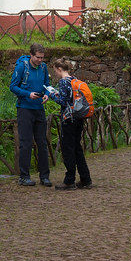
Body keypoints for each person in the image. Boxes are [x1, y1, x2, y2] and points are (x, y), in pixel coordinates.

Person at [44, 58, 92, 191]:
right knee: (77, 148)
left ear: (59, 69)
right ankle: (85, 179)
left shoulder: (64, 82)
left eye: (55, 71)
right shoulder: (74, 80)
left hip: (68, 119)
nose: (55, 74)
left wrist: (52, 94)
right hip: (78, 117)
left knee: (68, 149)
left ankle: (69, 180)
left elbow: (63, 101)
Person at [10, 43, 52, 187]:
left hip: (39, 108)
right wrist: (28, 94)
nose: (40, 60)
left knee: (42, 143)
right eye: (38, 57)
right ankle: (24, 176)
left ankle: (44, 176)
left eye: (42, 58)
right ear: (31, 55)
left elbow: (47, 83)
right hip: (25, 108)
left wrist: (46, 94)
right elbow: (13, 86)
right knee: (26, 143)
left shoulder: (44, 67)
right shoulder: (22, 66)